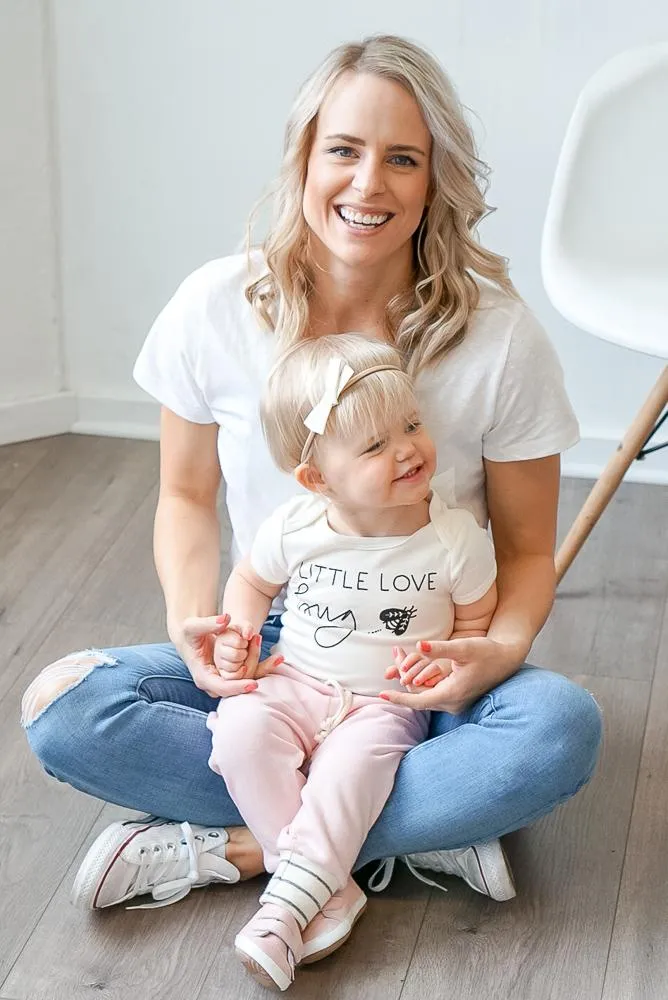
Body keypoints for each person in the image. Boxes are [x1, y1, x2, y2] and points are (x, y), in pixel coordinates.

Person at [21, 33, 601, 932]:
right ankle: (400, 832)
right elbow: (184, 496)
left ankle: (244, 849)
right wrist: (195, 621)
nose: (369, 185)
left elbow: (526, 551)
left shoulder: (499, 338)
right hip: (281, 650)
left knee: (560, 728)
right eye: (344, 149)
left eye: (401, 158)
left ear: (434, 179)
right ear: (304, 158)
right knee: (65, 709)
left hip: (424, 663)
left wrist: (497, 652)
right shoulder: (213, 308)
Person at [207, 333, 499, 990]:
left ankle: (284, 909)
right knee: (238, 729)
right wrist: (240, 634)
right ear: (317, 478)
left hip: (383, 703)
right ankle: (332, 889)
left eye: (412, 425)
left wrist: (451, 666)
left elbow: (477, 620)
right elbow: (251, 584)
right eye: (374, 446)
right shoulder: (295, 525)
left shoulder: (452, 539)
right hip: (294, 681)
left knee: (346, 772)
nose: (407, 448)